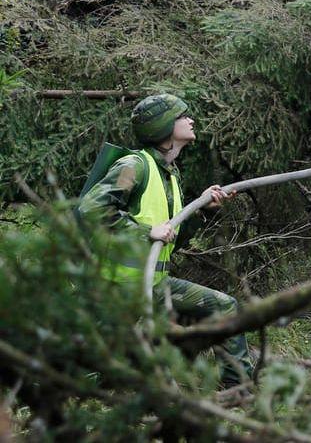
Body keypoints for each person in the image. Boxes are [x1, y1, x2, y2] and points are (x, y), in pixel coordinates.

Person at [76, 93, 254, 387]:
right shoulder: (134, 166)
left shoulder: (170, 175)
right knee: (96, 377)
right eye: (183, 116)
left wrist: (201, 210)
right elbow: (91, 209)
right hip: (119, 295)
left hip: (155, 288)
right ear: (163, 126)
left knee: (224, 306)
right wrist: (145, 232)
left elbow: (173, 239)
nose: (191, 120)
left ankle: (238, 391)